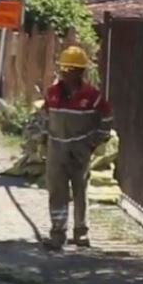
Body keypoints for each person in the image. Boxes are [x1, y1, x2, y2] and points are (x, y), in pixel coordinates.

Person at [41, 45, 113, 250]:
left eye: (69, 70)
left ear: (78, 72)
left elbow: (107, 119)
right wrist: (42, 140)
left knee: (80, 191)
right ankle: (58, 234)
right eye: (63, 69)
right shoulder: (53, 93)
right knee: (57, 193)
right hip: (57, 153)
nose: (64, 73)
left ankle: (81, 233)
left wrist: (93, 141)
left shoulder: (91, 96)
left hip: (80, 153)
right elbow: (44, 118)